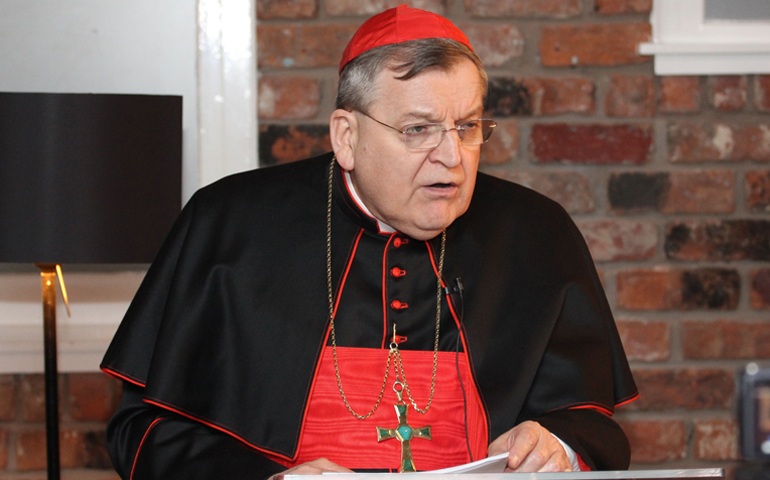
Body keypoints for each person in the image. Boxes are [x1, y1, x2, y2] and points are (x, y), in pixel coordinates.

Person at [101, 5, 638, 479]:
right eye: (418, 129)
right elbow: (142, 432)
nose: (453, 156)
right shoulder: (228, 225)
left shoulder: (537, 234)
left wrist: (558, 446)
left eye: (468, 126)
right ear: (347, 136)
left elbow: (588, 420)